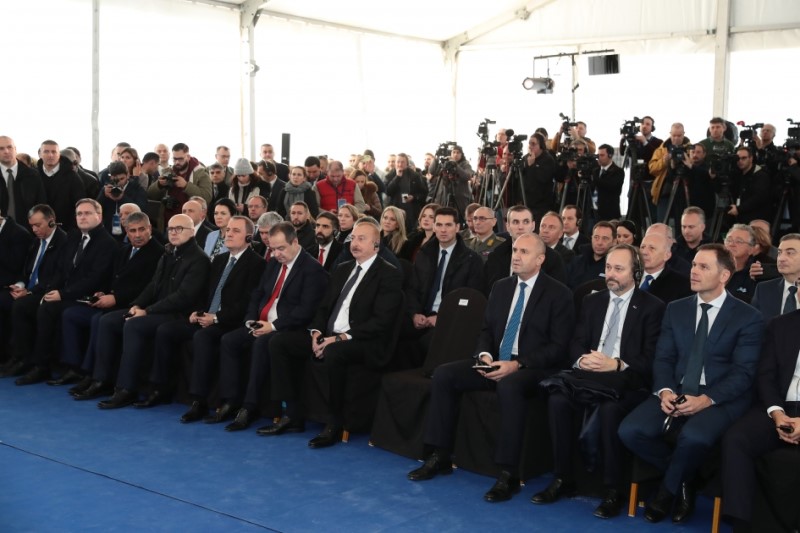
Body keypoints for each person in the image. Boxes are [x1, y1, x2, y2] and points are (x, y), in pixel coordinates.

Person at [407, 233, 574, 502]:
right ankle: (439, 454)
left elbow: (559, 347)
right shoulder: (501, 286)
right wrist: (484, 354)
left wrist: (517, 364)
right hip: (496, 360)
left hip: (533, 367)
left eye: (524, 252)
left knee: (509, 385)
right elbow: (486, 330)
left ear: (540, 259)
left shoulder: (558, 293)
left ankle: (508, 473)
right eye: (515, 250)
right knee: (444, 374)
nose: (516, 256)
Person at [618, 244, 763, 524]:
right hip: (676, 390)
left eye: (703, 267)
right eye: (694, 264)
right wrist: (665, 391)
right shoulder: (676, 309)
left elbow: (743, 373)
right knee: (630, 431)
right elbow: (663, 358)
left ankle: (666, 492)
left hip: (720, 397)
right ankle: (686, 478)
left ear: (724, 276)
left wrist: (706, 400)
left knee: (693, 437)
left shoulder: (748, 317)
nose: (694, 271)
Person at [535, 244, 664, 519]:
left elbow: (651, 358)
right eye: (608, 268)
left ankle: (613, 490)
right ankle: (562, 477)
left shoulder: (652, 307)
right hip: (589, 376)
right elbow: (576, 341)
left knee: (610, 409)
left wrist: (615, 364)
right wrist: (582, 360)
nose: (611, 274)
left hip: (627, 381)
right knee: (557, 399)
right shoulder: (591, 301)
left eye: (618, 269)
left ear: (636, 272)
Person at [263, 217, 404, 447]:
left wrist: (338, 339)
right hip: (330, 335)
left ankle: (334, 422)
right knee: (279, 343)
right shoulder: (342, 268)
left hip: (364, 340)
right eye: (353, 238)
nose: (354, 243)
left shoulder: (389, 273)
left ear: (376, 244)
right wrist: (316, 333)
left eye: (362, 239)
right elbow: (324, 307)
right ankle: (292, 414)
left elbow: (381, 321)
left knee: (335, 352)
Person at [78, 214, 211, 406]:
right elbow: (153, 285)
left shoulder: (199, 259)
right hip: (159, 310)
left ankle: (126, 388)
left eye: (179, 229)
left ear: (192, 232)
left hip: (179, 315)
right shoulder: (169, 252)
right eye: (171, 229)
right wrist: (136, 305)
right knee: (108, 321)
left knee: (134, 325)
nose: (173, 233)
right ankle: (101, 379)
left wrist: (147, 311)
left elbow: (183, 297)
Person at [210, 222, 329, 430]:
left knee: (262, 343)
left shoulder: (312, 269)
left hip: (291, 328)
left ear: (295, 242)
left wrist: (273, 326)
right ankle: (231, 400)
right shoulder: (273, 263)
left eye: (281, 248)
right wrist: (250, 320)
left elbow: (305, 311)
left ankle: (250, 407)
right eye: (273, 249)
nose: (276, 254)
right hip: (262, 323)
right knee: (229, 340)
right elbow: (257, 294)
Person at [142, 216, 265, 410]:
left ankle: (198, 399)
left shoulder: (257, 264)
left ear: (249, 237)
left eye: (236, 231)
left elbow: (246, 303)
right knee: (166, 330)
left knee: (202, 337)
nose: (229, 234)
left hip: (229, 322)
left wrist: (216, 318)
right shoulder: (219, 260)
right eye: (228, 230)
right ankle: (160, 388)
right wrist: (196, 312)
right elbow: (205, 292)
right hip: (207, 316)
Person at [14, 199, 119, 385]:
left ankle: (43, 366)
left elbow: (94, 279)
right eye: (79, 214)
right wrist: (49, 290)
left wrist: (62, 294)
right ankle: (24, 359)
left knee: (48, 309)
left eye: (87, 213)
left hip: (88, 297)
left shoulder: (107, 243)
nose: (82, 217)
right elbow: (61, 270)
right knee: (24, 305)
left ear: (99, 216)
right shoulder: (74, 237)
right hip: (66, 292)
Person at [57, 212, 162, 392]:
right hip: (113, 302)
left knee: (100, 320)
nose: (137, 235)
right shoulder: (124, 250)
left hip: (134, 306)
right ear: (126, 231)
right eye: (133, 231)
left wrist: (116, 298)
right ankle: (79, 370)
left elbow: (148, 288)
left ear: (150, 229)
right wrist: (103, 293)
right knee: (72, 314)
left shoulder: (158, 253)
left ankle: (98, 377)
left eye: (142, 230)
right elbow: (114, 279)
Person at [721, 300, 800, 532]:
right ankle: (741, 523)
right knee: (737, 439)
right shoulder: (780, 324)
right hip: (779, 407)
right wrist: (777, 413)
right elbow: (766, 375)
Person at [0, 205, 67, 376]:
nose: (34, 230)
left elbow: (57, 277)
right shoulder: (37, 241)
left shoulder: (63, 242)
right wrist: (20, 285)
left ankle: (26, 359)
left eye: (38, 225)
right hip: (30, 289)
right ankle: (14, 356)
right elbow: (27, 269)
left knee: (20, 306)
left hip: (47, 291)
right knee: (8, 300)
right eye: (32, 226)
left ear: (51, 221)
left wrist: (30, 292)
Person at [486, 205, 567, 287]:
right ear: (508, 227)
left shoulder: (553, 258)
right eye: (515, 222)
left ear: (533, 226)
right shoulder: (496, 255)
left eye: (526, 222)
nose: (521, 227)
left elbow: (557, 291)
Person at [147, 143, 212, 226]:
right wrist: (159, 185)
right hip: (168, 221)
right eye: (175, 159)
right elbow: (150, 194)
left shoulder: (201, 173)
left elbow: (207, 197)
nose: (177, 162)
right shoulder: (169, 171)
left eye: (180, 159)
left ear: (188, 157)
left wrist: (186, 186)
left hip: (191, 224)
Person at [36, 140, 86, 231]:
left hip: (66, 229)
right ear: (40, 154)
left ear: (59, 154)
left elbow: (80, 204)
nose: (50, 155)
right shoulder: (34, 175)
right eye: (46, 151)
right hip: (38, 228)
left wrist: (72, 229)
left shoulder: (72, 177)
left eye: (54, 152)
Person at [751, 233, 800, 320]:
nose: (781, 258)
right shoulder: (763, 290)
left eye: (790, 253)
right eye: (779, 253)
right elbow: (753, 324)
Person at [0, 136, 46, 223]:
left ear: (15, 149)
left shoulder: (33, 175)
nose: (6, 151)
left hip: (28, 227)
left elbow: (41, 204)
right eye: (1, 148)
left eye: (9, 147)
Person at [638, 232, 692, 304]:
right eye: (642, 247)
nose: (644, 252)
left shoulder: (682, 284)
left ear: (666, 255)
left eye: (652, 248)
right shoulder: (629, 275)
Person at [97, 161, 148, 236]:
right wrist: (103, 195)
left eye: (122, 179)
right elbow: (96, 210)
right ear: (111, 177)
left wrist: (122, 198)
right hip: (108, 230)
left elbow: (141, 211)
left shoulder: (137, 189)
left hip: (130, 230)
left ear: (128, 175)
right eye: (115, 180)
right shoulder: (107, 189)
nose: (119, 183)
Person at [427, 145, 473, 220]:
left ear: (461, 154)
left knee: (457, 219)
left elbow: (467, 176)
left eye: (458, 153)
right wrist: (436, 158)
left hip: (459, 198)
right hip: (443, 197)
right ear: (450, 153)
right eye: (453, 152)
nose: (455, 154)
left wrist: (455, 165)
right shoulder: (444, 163)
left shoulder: (465, 164)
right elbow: (432, 171)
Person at [728, 146, 772, 224]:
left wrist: (739, 209)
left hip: (756, 219)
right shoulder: (737, 174)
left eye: (744, 158)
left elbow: (759, 197)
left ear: (751, 158)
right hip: (740, 217)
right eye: (738, 158)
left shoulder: (761, 175)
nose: (740, 161)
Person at [567, 221, 615, 289]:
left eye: (605, 238)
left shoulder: (614, 268)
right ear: (591, 238)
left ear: (614, 241)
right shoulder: (576, 261)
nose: (599, 242)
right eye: (596, 237)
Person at [386, 153, 427, 233]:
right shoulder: (390, 175)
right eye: (398, 162)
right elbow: (388, 191)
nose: (400, 164)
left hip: (411, 212)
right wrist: (397, 177)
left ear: (407, 164)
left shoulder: (415, 176)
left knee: (409, 233)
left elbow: (423, 193)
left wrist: (414, 197)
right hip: (395, 210)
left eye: (402, 162)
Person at [724, 224, 758, 303]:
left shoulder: (754, 275)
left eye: (739, 241)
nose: (731, 244)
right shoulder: (712, 267)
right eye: (729, 240)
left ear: (751, 249)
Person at [593, 144, 625, 221]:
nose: (599, 158)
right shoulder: (595, 170)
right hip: (593, 212)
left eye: (602, 155)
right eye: (598, 155)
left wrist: (593, 178)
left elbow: (611, 186)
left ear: (610, 155)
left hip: (609, 213)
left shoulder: (618, 171)